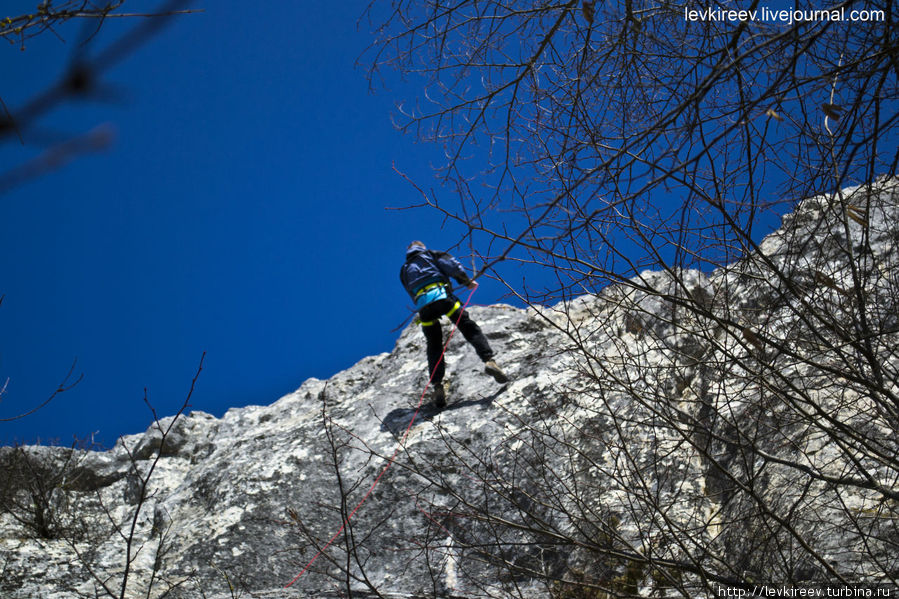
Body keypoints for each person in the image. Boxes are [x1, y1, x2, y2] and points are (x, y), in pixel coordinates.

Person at [400, 241, 508, 408]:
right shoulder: (431, 255)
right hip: (442, 297)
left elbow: (410, 290)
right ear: (422, 247)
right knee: (468, 327)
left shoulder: (405, 270)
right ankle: (489, 360)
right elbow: (451, 265)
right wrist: (466, 281)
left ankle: (437, 385)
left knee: (434, 345)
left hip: (424, 307)